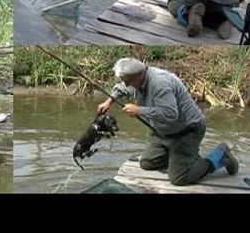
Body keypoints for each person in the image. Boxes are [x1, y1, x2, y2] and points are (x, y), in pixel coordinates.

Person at [97, 57, 238, 186]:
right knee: (147, 163)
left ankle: (220, 155)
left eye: (128, 80)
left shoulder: (159, 83)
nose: (126, 84)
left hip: (187, 131)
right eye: (124, 80)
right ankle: (183, 156)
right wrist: (108, 102)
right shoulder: (135, 78)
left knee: (179, 178)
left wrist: (139, 111)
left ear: (140, 74)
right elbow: (122, 88)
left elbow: (170, 114)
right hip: (164, 131)